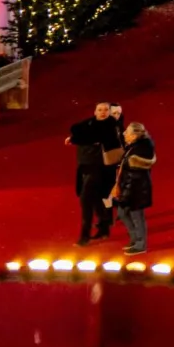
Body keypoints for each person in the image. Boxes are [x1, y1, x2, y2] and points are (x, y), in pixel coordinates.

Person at [65, 101, 123, 245]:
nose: (102, 112)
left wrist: (74, 138)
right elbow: (76, 128)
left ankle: (84, 235)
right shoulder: (92, 124)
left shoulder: (110, 125)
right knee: (96, 199)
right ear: (95, 112)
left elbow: (86, 136)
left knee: (86, 199)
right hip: (85, 165)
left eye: (105, 110)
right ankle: (104, 227)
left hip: (99, 168)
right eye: (99, 110)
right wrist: (76, 135)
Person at [109, 121, 156, 256]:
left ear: (134, 136)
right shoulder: (136, 146)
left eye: (127, 133)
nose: (124, 134)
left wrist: (124, 195)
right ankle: (135, 240)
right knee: (123, 214)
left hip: (135, 191)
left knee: (136, 216)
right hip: (130, 188)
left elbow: (132, 178)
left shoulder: (138, 152)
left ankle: (140, 245)